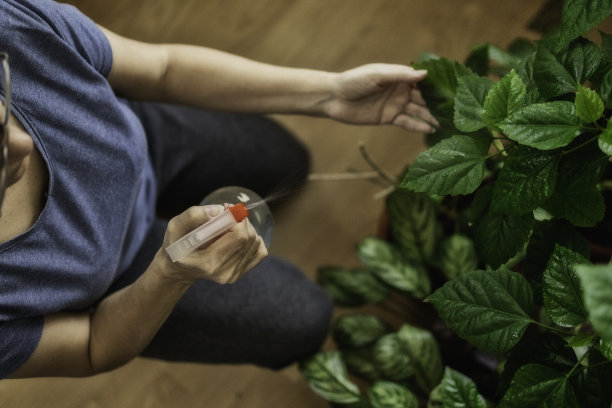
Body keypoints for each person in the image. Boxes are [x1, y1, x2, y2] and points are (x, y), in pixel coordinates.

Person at [0, 0, 437, 379]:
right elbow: (93, 347)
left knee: (286, 159)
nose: (24, 142)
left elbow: (163, 68)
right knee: (305, 320)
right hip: (127, 275)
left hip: (141, 139)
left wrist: (329, 95)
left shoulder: (11, 28)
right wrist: (170, 273)